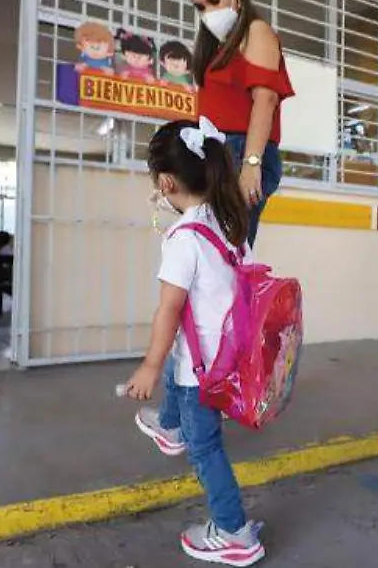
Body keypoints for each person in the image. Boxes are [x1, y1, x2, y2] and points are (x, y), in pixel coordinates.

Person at [123, 117, 263, 566]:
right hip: (230, 361)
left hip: (197, 375)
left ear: (166, 182)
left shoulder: (183, 238)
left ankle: (233, 532)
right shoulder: (231, 227)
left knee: (206, 450)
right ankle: (171, 425)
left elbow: (169, 310)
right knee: (183, 363)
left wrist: (148, 364)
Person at [186, 0, 294, 247]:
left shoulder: (256, 31)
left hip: (243, 151)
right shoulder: (219, 47)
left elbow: (266, 99)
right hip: (219, 152)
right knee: (213, 256)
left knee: (226, 258)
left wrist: (251, 163)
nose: (208, 11)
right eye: (200, 6)